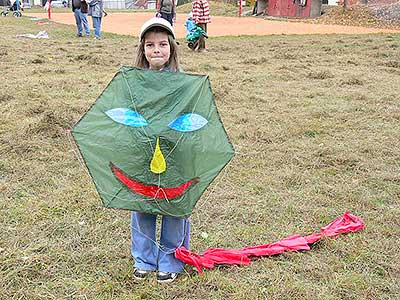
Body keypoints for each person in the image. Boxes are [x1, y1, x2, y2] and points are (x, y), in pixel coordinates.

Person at [131, 17, 188, 283]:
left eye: (163, 44)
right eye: (150, 45)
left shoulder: (183, 83)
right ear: (142, 50)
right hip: (142, 152)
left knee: (174, 203)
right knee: (142, 203)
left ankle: (171, 258)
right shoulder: (133, 83)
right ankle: (143, 258)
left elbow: (190, 116)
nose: (157, 50)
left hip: (174, 152)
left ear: (172, 48)